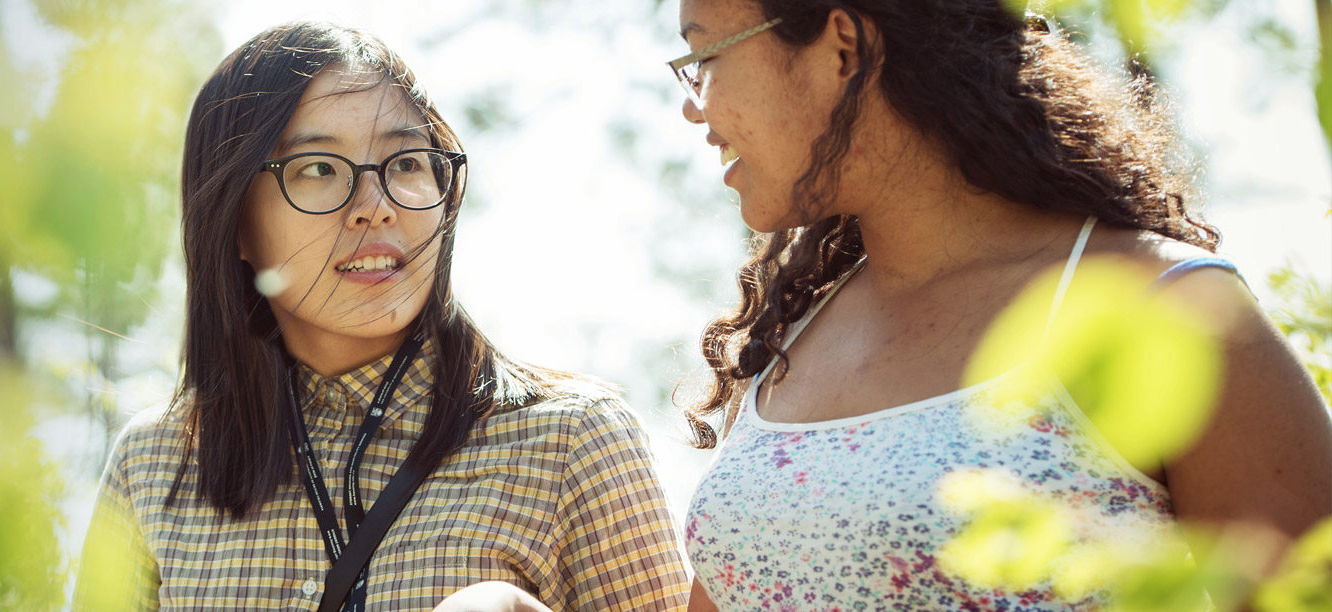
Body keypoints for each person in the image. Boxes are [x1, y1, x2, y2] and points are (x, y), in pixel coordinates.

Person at [664, 0, 1332, 609]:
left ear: (842, 47)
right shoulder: (789, 337)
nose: (693, 106)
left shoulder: (1170, 307)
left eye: (704, 59)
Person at [74, 21, 691, 612]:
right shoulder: (153, 464)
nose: (375, 208)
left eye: (405, 163)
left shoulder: (573, 442)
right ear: (234, 219)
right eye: (318, 168)